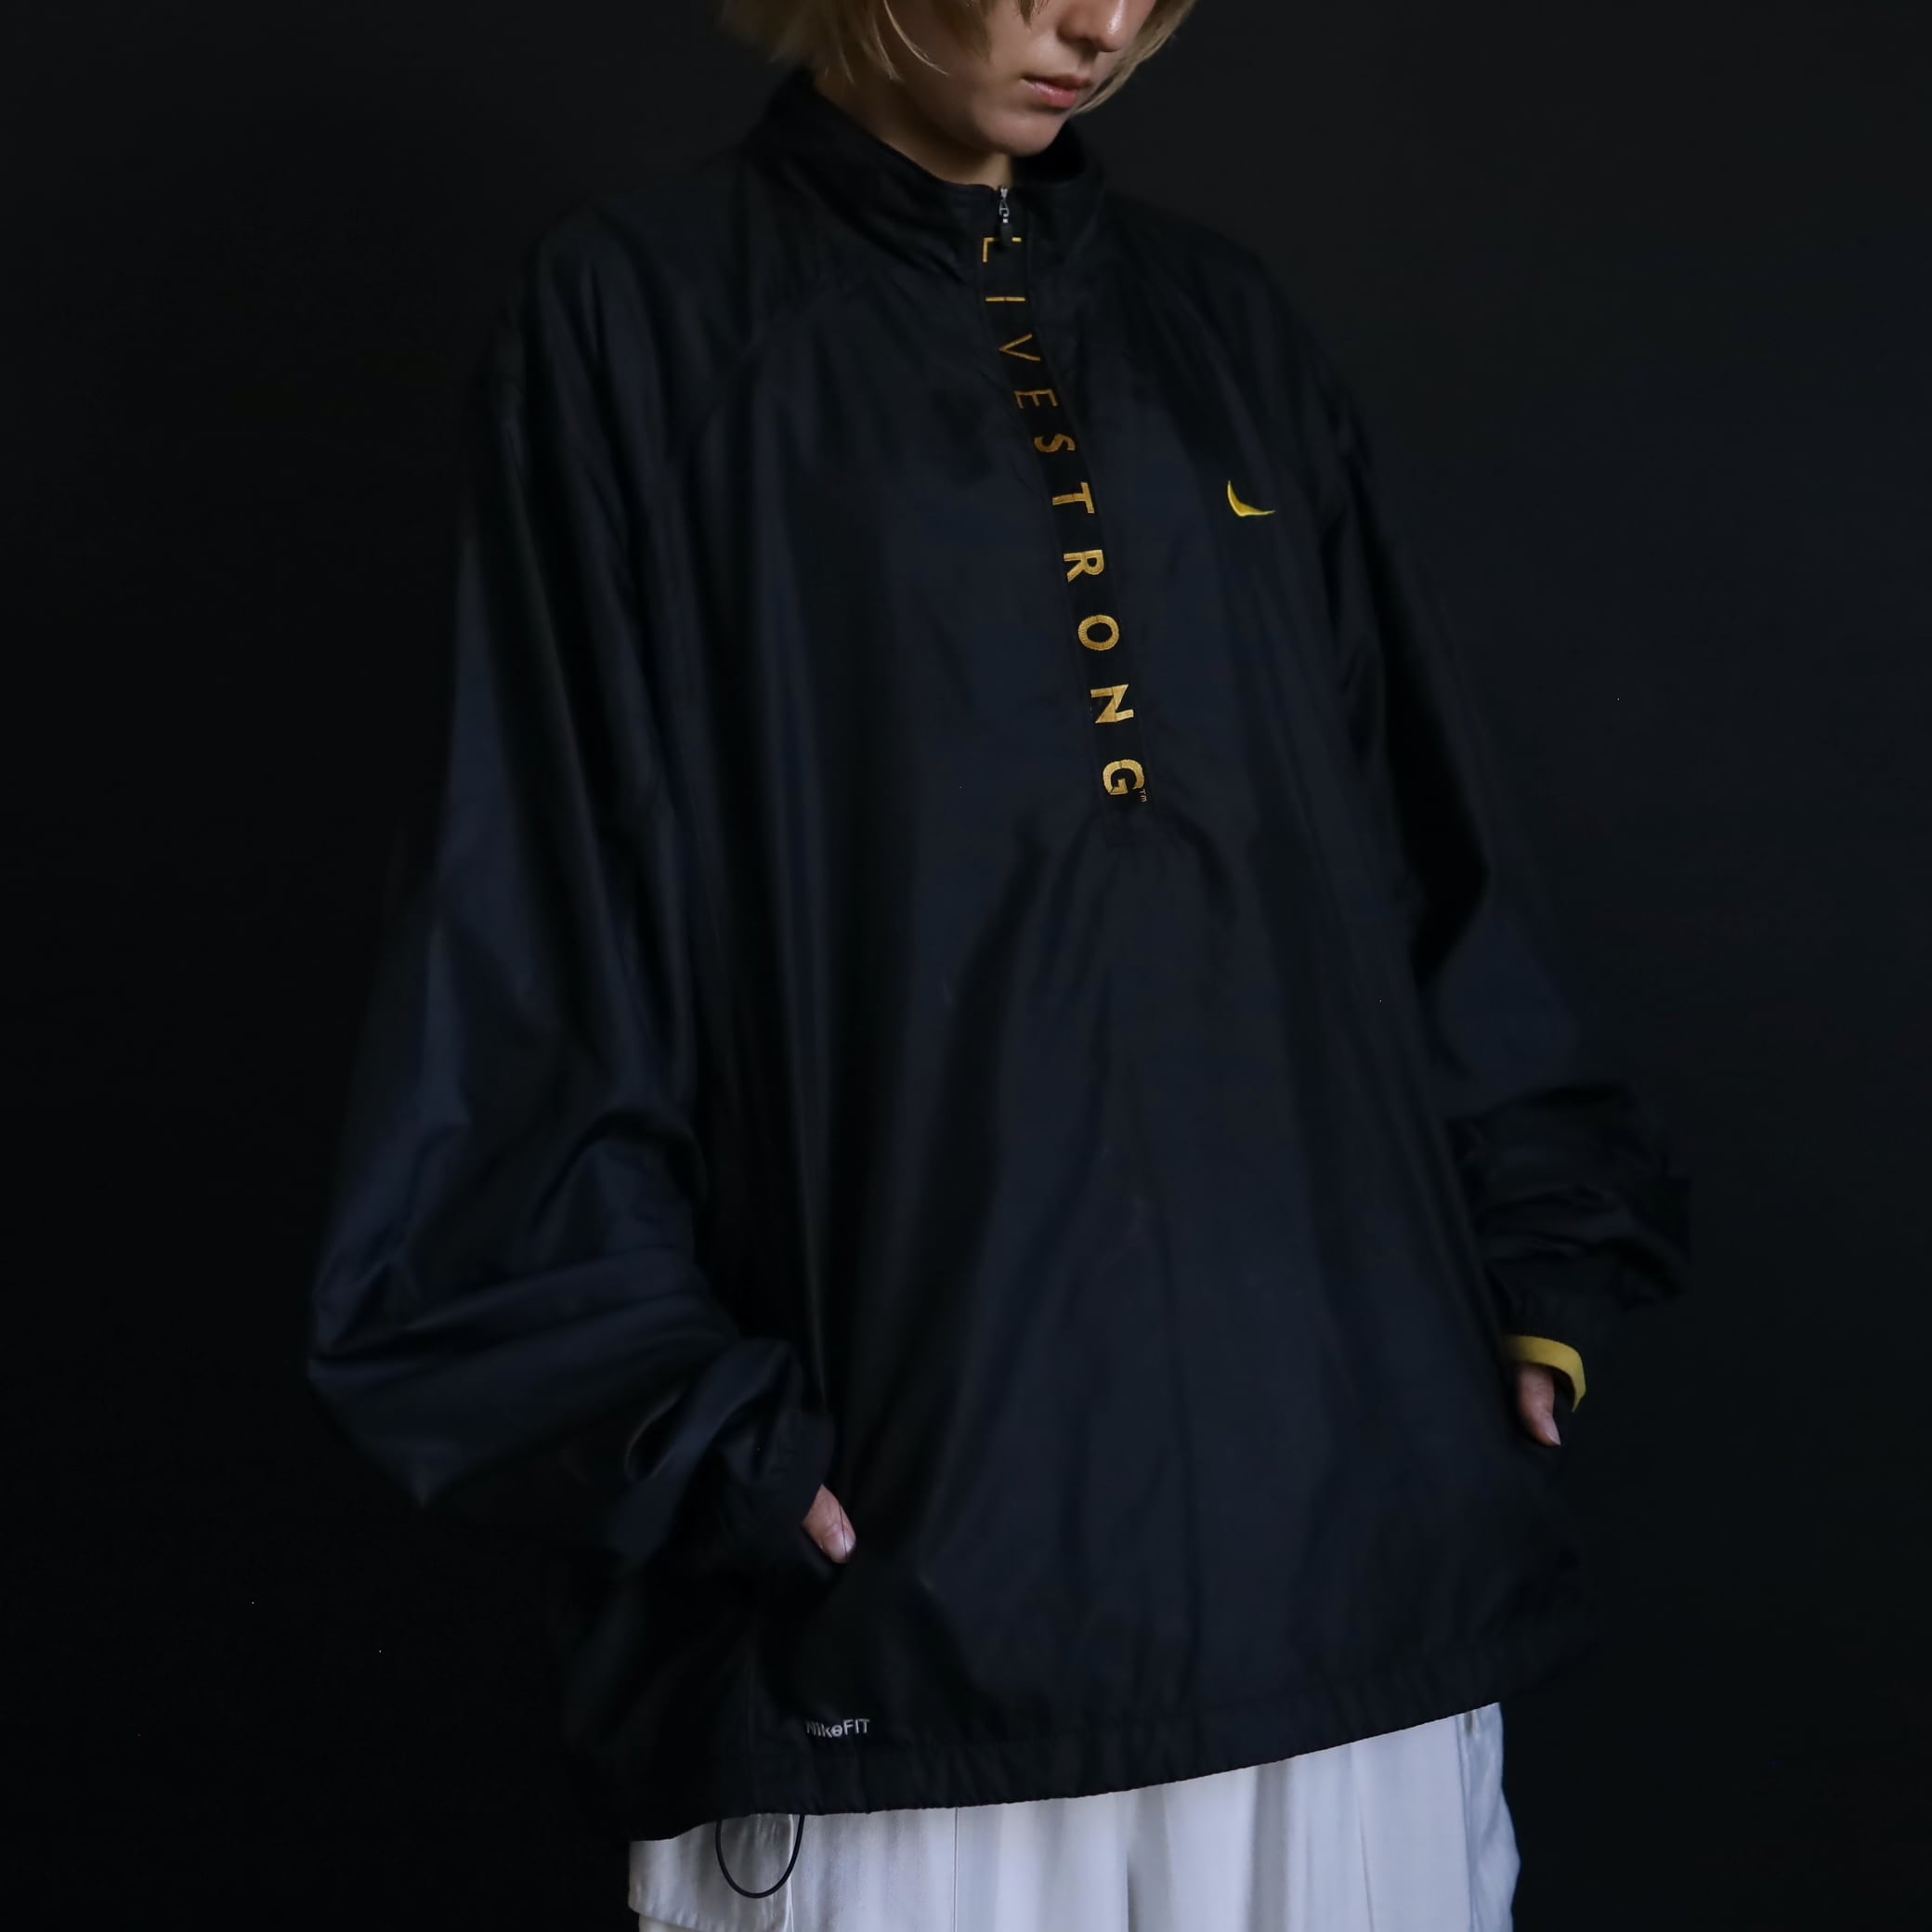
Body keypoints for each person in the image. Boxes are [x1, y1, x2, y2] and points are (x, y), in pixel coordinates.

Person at [304, 3, 1692, 1927]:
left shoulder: (1221, 325)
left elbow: (1412, 849)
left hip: (1348, 1542)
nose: (1096, 24)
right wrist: (687, 1426)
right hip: (906, 1574)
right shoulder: (645, 316)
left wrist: (1534, 1255)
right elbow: (531, 912)